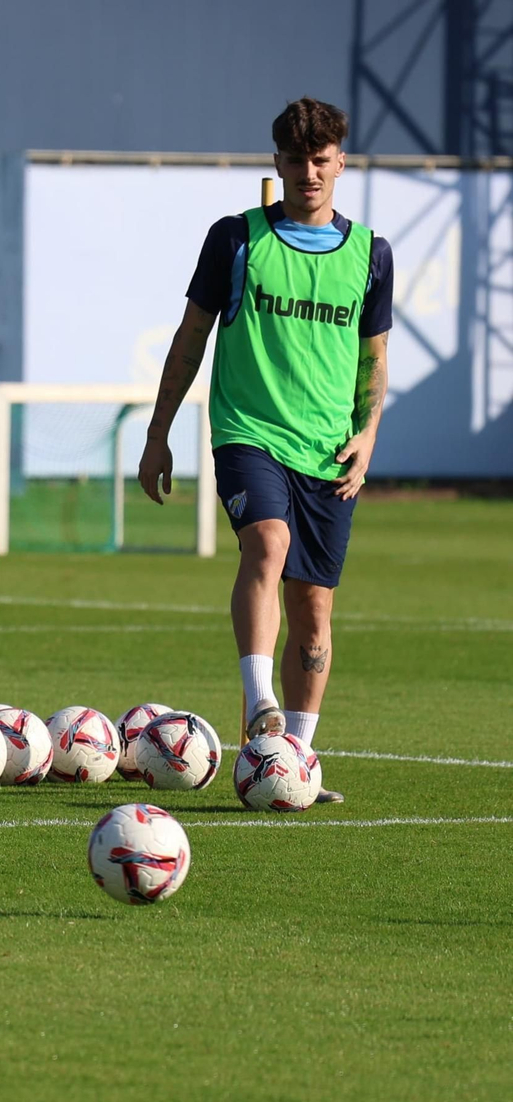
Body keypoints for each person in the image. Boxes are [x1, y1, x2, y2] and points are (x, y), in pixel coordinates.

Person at [139, 97, 393, 804]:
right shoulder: (237, 239)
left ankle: (293, 764)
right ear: (275, 163)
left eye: (321, 160)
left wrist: (368, 433)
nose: (308, 172)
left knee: (314, 614)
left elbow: (373, 360)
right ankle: (258, 705)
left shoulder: (371, 254)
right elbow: (190, 339)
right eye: (295, 160)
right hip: (249, 433)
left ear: (341, 162)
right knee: (268, 543)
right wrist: (159, 432)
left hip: (328, 451)